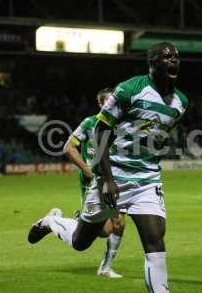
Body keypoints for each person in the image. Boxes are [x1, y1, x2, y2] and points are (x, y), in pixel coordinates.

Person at [28, 42, 187, 293]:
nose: (174, 61)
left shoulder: (180, 102)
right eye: (167, 57)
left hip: (147, 180)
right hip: (114, 176)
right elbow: (101, 131)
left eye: (176, 57)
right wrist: (108, 178)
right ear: (152, 62)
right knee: (82, 241)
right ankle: (51, 222)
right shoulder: (129, 90)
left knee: (155, 241)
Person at [63, 88, 125, 278]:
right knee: (104, 231)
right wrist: (85, 168)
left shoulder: (122, 125)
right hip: (92, 182)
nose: (111, 105)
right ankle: (74, 220)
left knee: (119, 223)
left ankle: (105, 268)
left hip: (114, 180)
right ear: (100, 104)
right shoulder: (90, 123)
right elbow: (68, 148)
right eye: (106, 102)